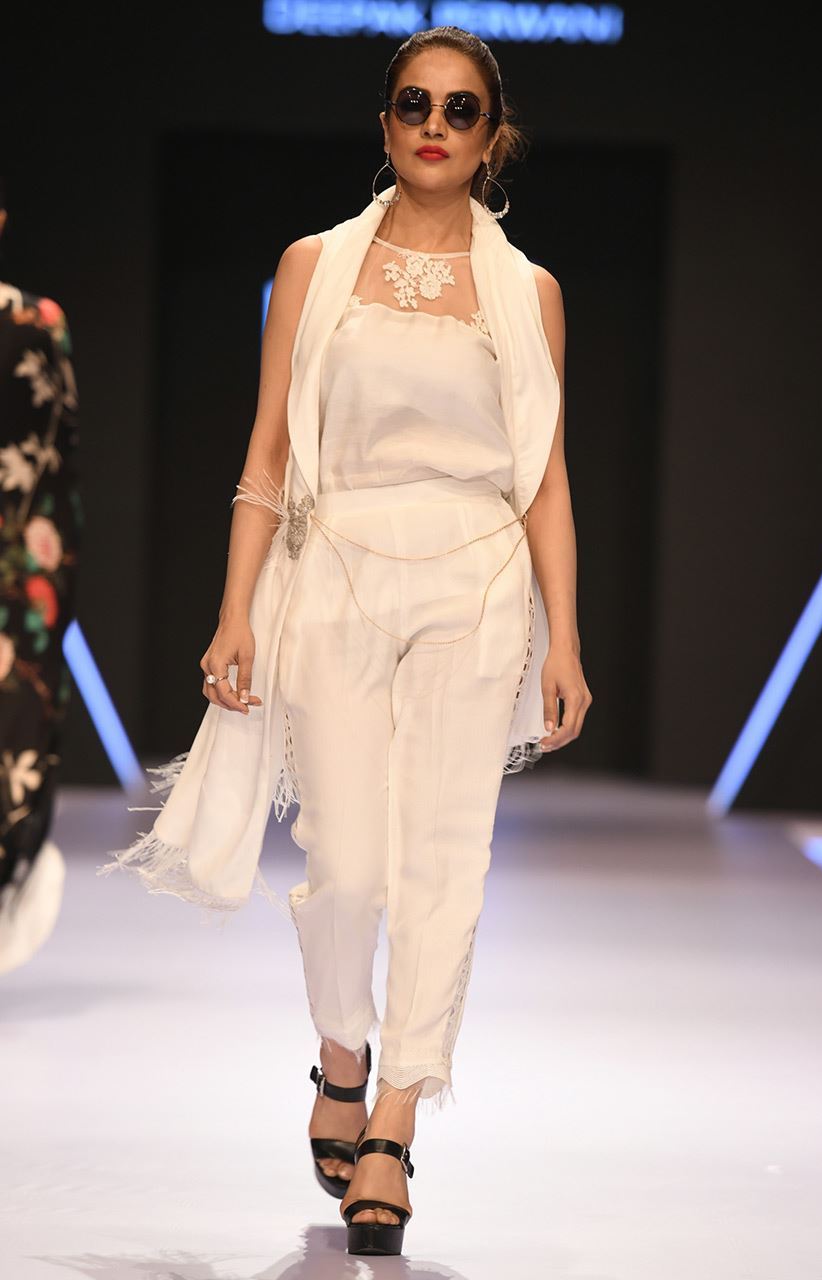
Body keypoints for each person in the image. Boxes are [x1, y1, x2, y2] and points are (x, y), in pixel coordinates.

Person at [99, 27, 592, 1257]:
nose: (435, 124)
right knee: (351, 860)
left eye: (462, 109)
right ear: (383, 124)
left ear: (493, 136)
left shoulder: (530, 292)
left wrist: (566, 638)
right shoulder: (314, 267)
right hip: (335, 576)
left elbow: (544, 478)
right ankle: (340, 1048)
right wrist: (235, 608)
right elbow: (268, 452)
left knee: (445, 858)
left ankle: (396, 1117)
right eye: (414, 103)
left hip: (480, 585)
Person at [0, 175, 82, 975]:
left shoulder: (34, 320)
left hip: (14, 576)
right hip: (21, 572)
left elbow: (55, 466)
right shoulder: (34, 320)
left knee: (12, 747)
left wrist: (50, 590)